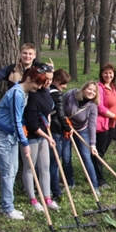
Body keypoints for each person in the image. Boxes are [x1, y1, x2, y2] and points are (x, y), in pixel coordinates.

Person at [0, 67, 47, 220]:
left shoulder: (24, 93)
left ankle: (7, 204)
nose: (39, 88)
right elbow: (16, 121)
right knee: (8, 172)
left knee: (13, 171)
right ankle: (7, 209)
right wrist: (25, 143)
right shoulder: (17, 94)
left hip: (11, 137)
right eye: (37, 84)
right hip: (1, 136)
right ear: (28, 79)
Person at [21, 65, 59, 212]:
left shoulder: (46, 91)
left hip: (43, 133)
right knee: (30, 168)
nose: (48, 82)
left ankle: (47, 198)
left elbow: (48, 107)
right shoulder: (32, 95)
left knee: (45, 167)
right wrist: (47, 137)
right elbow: (31, 124)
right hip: (31, 136)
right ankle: (33, 199)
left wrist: (48, 116)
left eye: (51, 79)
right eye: (46, 79)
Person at [64, 81, 101, 193]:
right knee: (66, 157)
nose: (91, 92)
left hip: (81, 130)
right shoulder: (71, 94)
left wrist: (93, 144)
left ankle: (94, 186)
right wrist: (64, 122)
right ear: (83, 88)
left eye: (94, 91)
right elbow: (60, 105)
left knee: (86, 157)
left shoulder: (93, 106)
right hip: (66, 128)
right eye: (89, 89)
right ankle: (70, 182)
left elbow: (92, 125)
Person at [94, 63, 116, 188]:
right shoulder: (99, 87)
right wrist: (115, 116)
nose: (108, 75)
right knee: (99, 152)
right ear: (101, 74)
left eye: (110, 73)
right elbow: (99, 107)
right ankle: (99, 180)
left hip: (112, 124)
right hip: (102, 124)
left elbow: (114, 100)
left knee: (102, 150)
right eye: (105, 72)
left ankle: (92, 170)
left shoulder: (112, 86)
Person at [49, 69, 73, 201]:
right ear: (57, 81)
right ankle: (55, 191)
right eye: (63, 83)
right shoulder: (58, 95)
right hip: (55, 131)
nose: (65, 86)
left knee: (47, 162)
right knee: (54, 162)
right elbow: (61, 114)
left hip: (45, 132)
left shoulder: (44, 91)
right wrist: (67, 127)